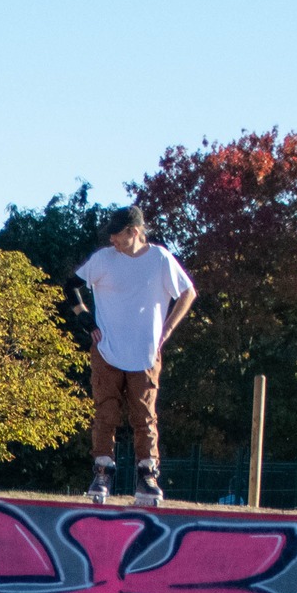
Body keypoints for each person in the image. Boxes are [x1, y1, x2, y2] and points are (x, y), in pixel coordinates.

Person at [75, 206, 197, 506]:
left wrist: (167, 330)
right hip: (107, 350)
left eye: (118, 234)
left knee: (144, 416)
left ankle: (147, 475)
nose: (112, 240)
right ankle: (102, 472)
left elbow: (187, 292)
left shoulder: (159, 260)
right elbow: (71, 286)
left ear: (134, 232)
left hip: (144, 351)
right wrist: (86, 320)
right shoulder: (103, 259)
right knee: (106, 412)